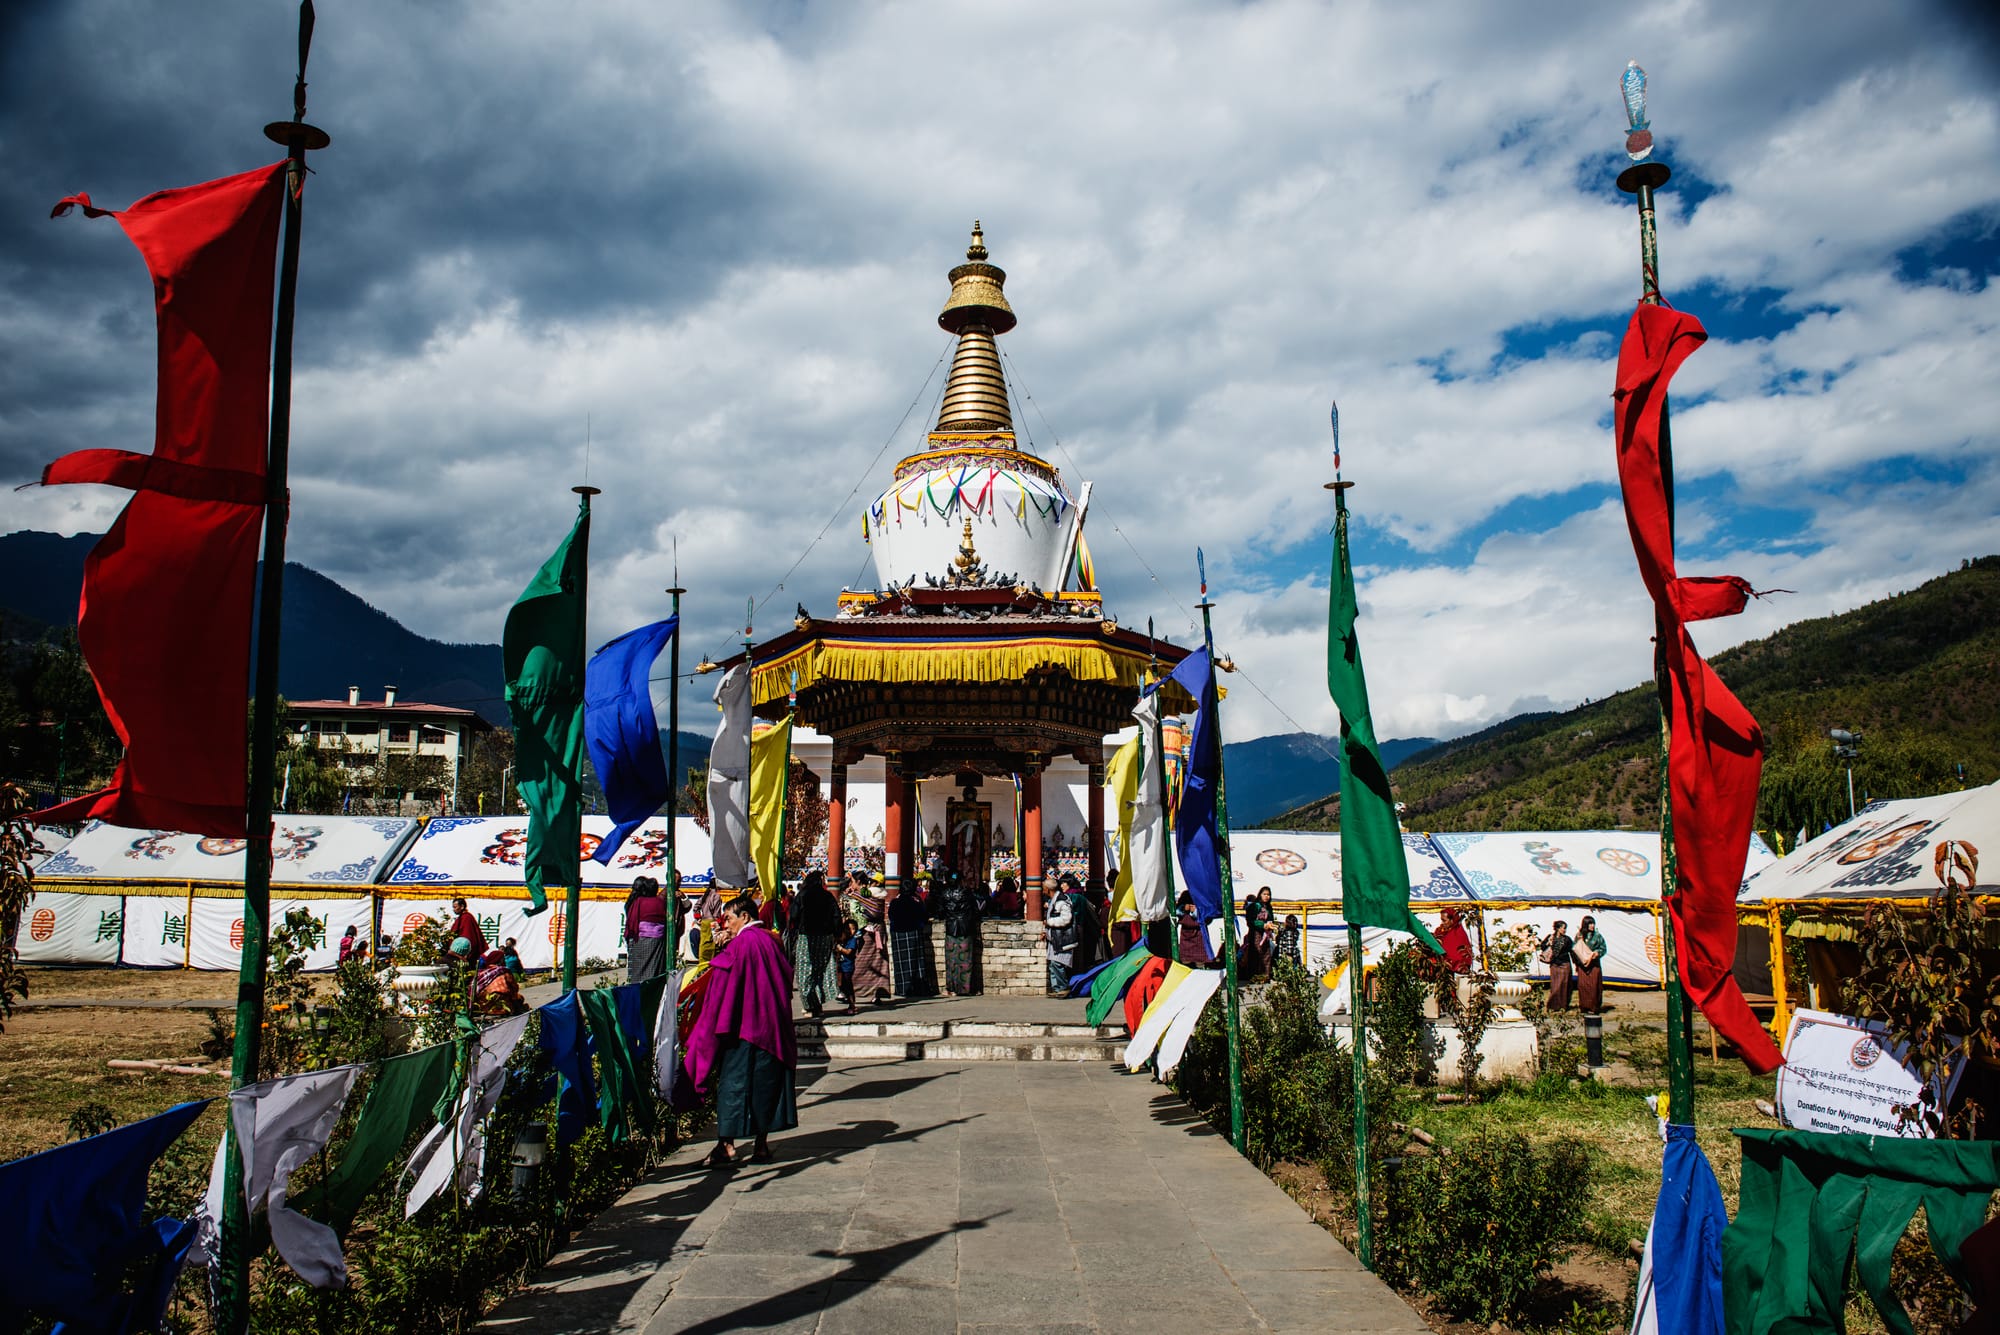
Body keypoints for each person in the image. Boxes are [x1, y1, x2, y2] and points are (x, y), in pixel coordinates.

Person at [685, 893, 797, 1166]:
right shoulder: (771, 942)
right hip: (773, 1029)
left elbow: (722, 987)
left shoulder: (741, 946)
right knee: (765, 1088)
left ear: (745, 917)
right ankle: (760, 1146)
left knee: (734, 1087)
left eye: (730, 919)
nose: (726, 925)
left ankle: (726, 1146)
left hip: (743, 1029)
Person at [790, 870, 843, 1017]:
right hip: (825, 937)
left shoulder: (802, 895)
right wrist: (837, 934)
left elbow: (793, 915)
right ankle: (817, 1005)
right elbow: (836, 916)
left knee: (804, 972)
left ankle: (809, 1005)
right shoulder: (828, 896)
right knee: (821, 971)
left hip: (805, 937)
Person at [841, 871, 893, 1005]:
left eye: (852, 881)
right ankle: (856, 991)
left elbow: (875, 910)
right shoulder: (857, 895)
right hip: (866, 932)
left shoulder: (866, 894)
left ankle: (871, 992)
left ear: (858, 882)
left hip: (870, 933)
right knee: (866, 963)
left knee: (869, 963)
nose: (851, 884)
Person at [888, 880, 938, 998]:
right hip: (913, 933)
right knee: (916, 961)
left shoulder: (895, 902)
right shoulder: (916, 902)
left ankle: (902, 988)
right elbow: (924, 916)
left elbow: (891, 917)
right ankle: (918, 988)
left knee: (901, 963)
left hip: (898, 934)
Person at [940, 871, 982, 996]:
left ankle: (951, 987)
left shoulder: (944, 894)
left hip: (951, 928)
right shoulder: (967, 893)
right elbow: (976, 910)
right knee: (965, 960)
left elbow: (940, 912)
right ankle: (965, 988)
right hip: (965, 928)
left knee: (951, 960)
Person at [625, 875, 672, 984]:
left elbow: (632, 921)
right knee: (654, 968)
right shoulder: (660, 902)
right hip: (657, 941)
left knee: (637, 969)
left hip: (639, 940)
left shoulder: (639, 901)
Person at [472, 949, 526, 1016]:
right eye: (503, 959)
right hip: (501, 1006)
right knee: (519, 998)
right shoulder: (504, 971)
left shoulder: (480, 973)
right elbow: (514, 988)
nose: (504, 960)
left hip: (482, 1006)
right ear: (499, 960)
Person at [1573, 914, 1608, 1013]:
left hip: (1594, 965)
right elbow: (1574, 949)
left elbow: (1603, 948)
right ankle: (1584, 1006)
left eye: (1593, 923)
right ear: (1585, 924)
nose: (1592, 926)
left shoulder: (1597, 936)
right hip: (1582, 966)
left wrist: (1597, 953)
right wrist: (1578, 962)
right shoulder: (1579, 936)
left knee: (1594, 986)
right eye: (1590, 923)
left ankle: (1594, 1007)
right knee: (1583, 986)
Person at [1044, 891, 1077, 993]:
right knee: (1053, 964)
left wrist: (1049, 922)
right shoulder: (1054, 902)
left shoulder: (1062, 902)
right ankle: (1056, 989)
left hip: (1062, 938)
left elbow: (1066, 919)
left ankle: (1062, 987)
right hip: (1054, 938)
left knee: (1057, 963)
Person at [1542, 919, 1576, 1010]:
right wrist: (1548, 944)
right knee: (1555, 985)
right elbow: (1542, 946)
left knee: (1564, 985)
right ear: (1557, 928)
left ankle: (1563, 1005)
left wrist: (1577, 963)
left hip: (1564, 964)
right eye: (1563, 928)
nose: (1564, 930)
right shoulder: (1551, 937)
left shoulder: (1567, 939)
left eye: (1565, 928)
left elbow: (1572, 951)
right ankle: (1553, 1005)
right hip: (1554, 964)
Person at [1176, 891, 1212, 966]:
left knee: (1200, 963)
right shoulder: (1185, 894)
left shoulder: (1202, 895)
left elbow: (1208, 917)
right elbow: (1176, 912)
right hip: (1186, 936)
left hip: (1199, 935)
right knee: (1186, 964)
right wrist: (1184, 908)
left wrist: (1195, 911)